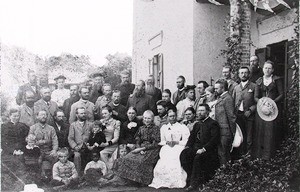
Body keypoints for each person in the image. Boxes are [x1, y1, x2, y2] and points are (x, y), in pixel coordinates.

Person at [113, 110, 161, 185]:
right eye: (145, 118)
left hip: (152, 150)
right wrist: (139, 148)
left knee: (140, 162)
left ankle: (139, 181)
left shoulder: (156, 128)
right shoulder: (141, 128)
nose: (146, 120)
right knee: (125, 159)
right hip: (140, 148)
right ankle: (128, 180)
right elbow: (137, 140)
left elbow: (155, 143)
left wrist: (142, 149)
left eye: (148, 118)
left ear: (152, 119)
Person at [180, 104, 220, 191]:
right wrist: (187, 147)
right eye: (199, 111)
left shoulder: (213, 123)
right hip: (196, 148)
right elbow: (191, 138)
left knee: (198, 158)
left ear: (208, 112)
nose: (199, 113)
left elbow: (214, 140)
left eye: (202, 110)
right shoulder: (197, 124)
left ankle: (194, 184)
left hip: (207, 151)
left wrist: (203, 149)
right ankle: (190, 179)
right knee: (184, 154)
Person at [149, 108, 190, 189]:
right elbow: (162, 141)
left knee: (175, 155)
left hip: (178, 146)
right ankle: (164, 180)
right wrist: (167, 143)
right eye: (170, 116)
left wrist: (176, 142)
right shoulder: (164, 127)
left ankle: (175, 181)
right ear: (168, 117)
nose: (173, 118)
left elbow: (186, 140)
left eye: (174, 116)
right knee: (165, 154)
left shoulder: (182, 126)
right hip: (167, 146)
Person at [253, 60, 284, 160]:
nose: (267, 70)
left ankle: (269, 156)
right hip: (261, 109)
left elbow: (281, 94)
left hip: (272, 109)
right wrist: (262, 102)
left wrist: (272, 102)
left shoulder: (276, 79)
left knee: (270, 131)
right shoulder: (259, 81)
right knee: (260, 130)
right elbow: (256, 97)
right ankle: (259, 156)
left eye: (269, 68)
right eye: (265, 68)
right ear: (262, 69)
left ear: (273, 70)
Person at [232, 66, 259, 155]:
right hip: (238, 115)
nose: (244, 75)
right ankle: (240, 156)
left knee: (249, 138)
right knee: (240, 136)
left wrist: (250, 111)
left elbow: (258, 102)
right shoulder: (236, 88)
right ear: (239, 75)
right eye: (241, 73)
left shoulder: (254, 86)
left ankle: (248, 157)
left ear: (249, 74)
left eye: (245, 73)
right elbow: (233, 101)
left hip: (249, 115)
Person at [29, 110, 59, 179]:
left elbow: (55, 140)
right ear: (37, 117)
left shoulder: (51, 128)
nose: (43, 116)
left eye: (45, 115)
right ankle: (40, 178)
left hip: (48, 151)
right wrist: (39, 143)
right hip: (37, 151)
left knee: (55, 157)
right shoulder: (33, 128)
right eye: (41, 115)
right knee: (37, 160)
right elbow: (30, 141)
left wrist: (54, 150)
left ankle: (53, 177)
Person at [214, 79, 236, 165]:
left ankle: (225, 174)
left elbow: (231, 117)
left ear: (222, 88)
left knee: (223, 153)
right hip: (221, 130)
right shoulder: (222, 98)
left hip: (225, 131)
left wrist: (233, 132)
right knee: (222, 153)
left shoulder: (227, 98)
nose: (215, 90)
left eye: (217, 88)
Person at [68, 107, 93, 174]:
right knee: (77, 156)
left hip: (88, 147)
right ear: (77, 115)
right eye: (81, 113)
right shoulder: (73, 125)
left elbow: (93, 136)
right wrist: (75, 146)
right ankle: (77, 175)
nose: (83, 115)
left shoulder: (90, 124)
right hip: (77, 148)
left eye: (84, 113)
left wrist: (90, 145)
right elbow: (70, 138)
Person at [99, 105, 121, 171]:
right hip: (102, 144)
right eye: (102, 114)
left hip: (112, 145)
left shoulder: (116, 122)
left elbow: (116, 138)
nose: (104, 115)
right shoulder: (101, 122)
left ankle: (111, 171)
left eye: (105, 113)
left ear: (110, 113)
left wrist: (107, 144)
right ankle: (105, 171)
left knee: (103, 153)